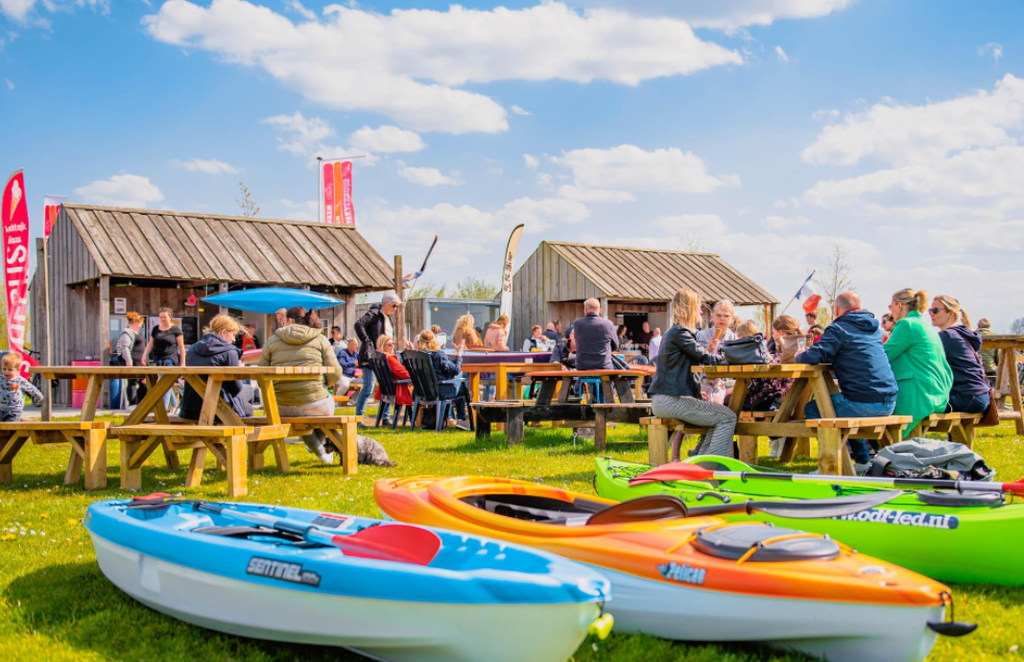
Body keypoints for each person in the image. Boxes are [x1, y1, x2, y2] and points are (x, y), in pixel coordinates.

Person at [796, 291, 898, 467]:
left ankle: (833, 465)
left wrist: (797, 356)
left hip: (865, 403)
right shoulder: (873, 330)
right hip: (889, 401)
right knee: (839, 404)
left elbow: (814, 356)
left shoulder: (839, 328)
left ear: (836, 309)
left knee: (815, 408)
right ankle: (862, 460)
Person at [649, 288, 735, 459]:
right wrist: (732, 359)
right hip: (670, 400)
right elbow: (704, 356)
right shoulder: (680, 333)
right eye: (698, 307)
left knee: (718, 416)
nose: (701, 311)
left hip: (668, 398)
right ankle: (710, 467)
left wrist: (695, 392)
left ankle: (700, 461)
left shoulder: (677, 332)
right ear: (689, 308)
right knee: (728, 417)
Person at [260, 306, 344, 464]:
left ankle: (321, 452)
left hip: (280, 405)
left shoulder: (271, 341)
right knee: (321, 408)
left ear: (289, 320)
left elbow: (261, 373)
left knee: (304, 418)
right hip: (316, 403)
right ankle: (320, 451)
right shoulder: (320, 339)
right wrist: (325, 385)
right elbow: (336, 373)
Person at [884, 289, 954, 436]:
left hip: (919, 394)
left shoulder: (906, 325)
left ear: (899, 305)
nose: (891, 311)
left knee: (873, 410)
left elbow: (883, 357)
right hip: (937, 392)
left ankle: (872, 452)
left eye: (891, 307)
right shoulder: (925, 324)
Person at [179, 315, 253, 421]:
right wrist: (239, 369)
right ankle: (245, 435)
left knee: (246, 405)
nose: (233, 339)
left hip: (191, 409)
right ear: (223, 332)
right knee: (248, 392)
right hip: (218, 410)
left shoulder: (192, 349)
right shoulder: (230, 351)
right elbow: (236, 389)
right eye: (233, 334)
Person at [929, 295, 990, 414]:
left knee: (920, 402)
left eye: (935, 310)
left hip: (967, 397)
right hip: (980, 395)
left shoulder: (947, 336)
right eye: (930, 310)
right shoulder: (961, 333)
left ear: (950, 313)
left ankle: (912, 433)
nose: (931, 314)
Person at [354, 291, 402, 427]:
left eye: (397, 306)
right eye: (394, 306)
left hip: (384, 357)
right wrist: (367, 341)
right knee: (368, 387)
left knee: (387, 386)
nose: (395, 309)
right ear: (385, 302)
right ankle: (358, 419)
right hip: (371, 357)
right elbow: (359, 324)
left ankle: (385, 418)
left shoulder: (386, 317)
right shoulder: (374, 314)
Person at [416, 330, 472, 430]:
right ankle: (461, 419)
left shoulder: (416, 356)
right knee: (463, 384)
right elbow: (455, 369)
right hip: (440, 392)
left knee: (461, 382)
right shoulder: (438, 355)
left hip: (421, 392)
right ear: (434, 341)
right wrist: (459, 354)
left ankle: (458, 419)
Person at [141, 307, 186, 410]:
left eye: (164, 317)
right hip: (158, 359)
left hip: (170, 359)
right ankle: (174, 405)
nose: (162, 319)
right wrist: (144, 355)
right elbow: (150, 343)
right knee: (165, 383)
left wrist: (183, 363)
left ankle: (164, 409)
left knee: (165, 384)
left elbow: (181, 346)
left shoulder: (175, 329)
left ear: (170, 317)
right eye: (160, 317)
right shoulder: (156, 329)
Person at [696, 300, 737, 404]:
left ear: (732, 319)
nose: (722, 318)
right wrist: (708, 349)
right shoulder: (702, 335)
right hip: (704, 379)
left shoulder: (734, 338)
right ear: (712, 317)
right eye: (718, 315)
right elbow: (696, 361)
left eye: (726, 316)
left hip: (725, 380)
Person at [372, 334, 412, 420]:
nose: (392, 346)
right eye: (389, 345)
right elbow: (405, 374)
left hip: (386, 389)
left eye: (393, 343)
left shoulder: (380, 357)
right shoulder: (389, 358)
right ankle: (421, 419)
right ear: (383, 346)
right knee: (420, 389)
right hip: (398, 389)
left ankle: (385, 419)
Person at [573, 298, 618, 370]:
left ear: (585, 310)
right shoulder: (608, 324)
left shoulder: (577, 324)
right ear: (600, 311)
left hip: (582, 366)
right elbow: (615, 346)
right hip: (603, 366)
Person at [0, 352, 43, 421]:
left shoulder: (20, 381)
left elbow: (32, 389)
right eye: (4, 369)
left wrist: (39, 397)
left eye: (10, 370)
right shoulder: (1, 379)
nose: (6, 372)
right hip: (2, 408)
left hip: (15, 410)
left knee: (11, 428)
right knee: (2, 429)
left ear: (17, 370)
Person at [116, 311, 146, 405]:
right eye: (141, 323)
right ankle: (132, 403)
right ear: (135, 322)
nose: (141, 325)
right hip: (134, 362)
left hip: (141, 363)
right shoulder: (127, 332)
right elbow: (125, 347)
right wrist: (129, 362)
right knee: (133, 383)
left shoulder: (137, 333)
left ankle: (141, 403)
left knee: (143, 383)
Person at [976, 318, 999, 384]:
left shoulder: (972, 335)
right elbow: (998, 357)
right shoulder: (994, 337)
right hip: (990, 370)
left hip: (976, 369)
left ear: (978, 325)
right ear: (989, 326)